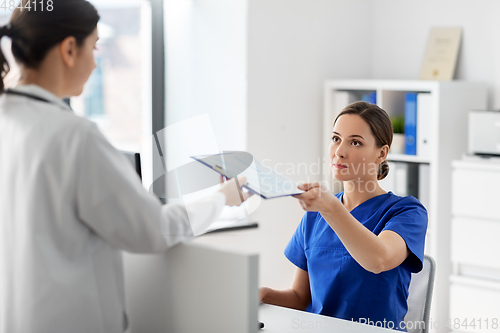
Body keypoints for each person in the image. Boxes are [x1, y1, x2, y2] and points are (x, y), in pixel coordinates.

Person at [0, 1, 250, 332]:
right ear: (70, 49)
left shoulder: (9, 121)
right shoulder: (75, 136)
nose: (96, 61)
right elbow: (153, 230)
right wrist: (222, 198)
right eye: (95, 46)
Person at [259, 101, 428, 331]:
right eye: (336, 139)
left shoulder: (407, 212)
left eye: (355, 142)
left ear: (382, 153)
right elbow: (300, 298)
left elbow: (379, 259)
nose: (339, 151)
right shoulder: (315, 215)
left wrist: (330, 208)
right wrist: (263, 295)